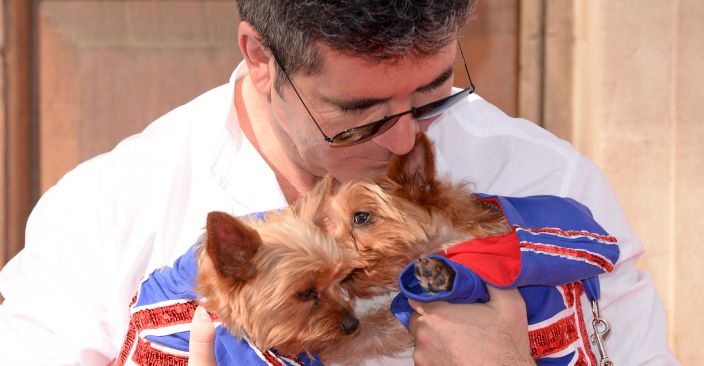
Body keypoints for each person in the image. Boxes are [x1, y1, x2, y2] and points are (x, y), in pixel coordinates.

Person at [0, 0, 677, 365]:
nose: (407, 141)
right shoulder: (106, 212)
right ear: (261, 59)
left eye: (433, 94)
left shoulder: (544, 179)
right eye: (358, 118)